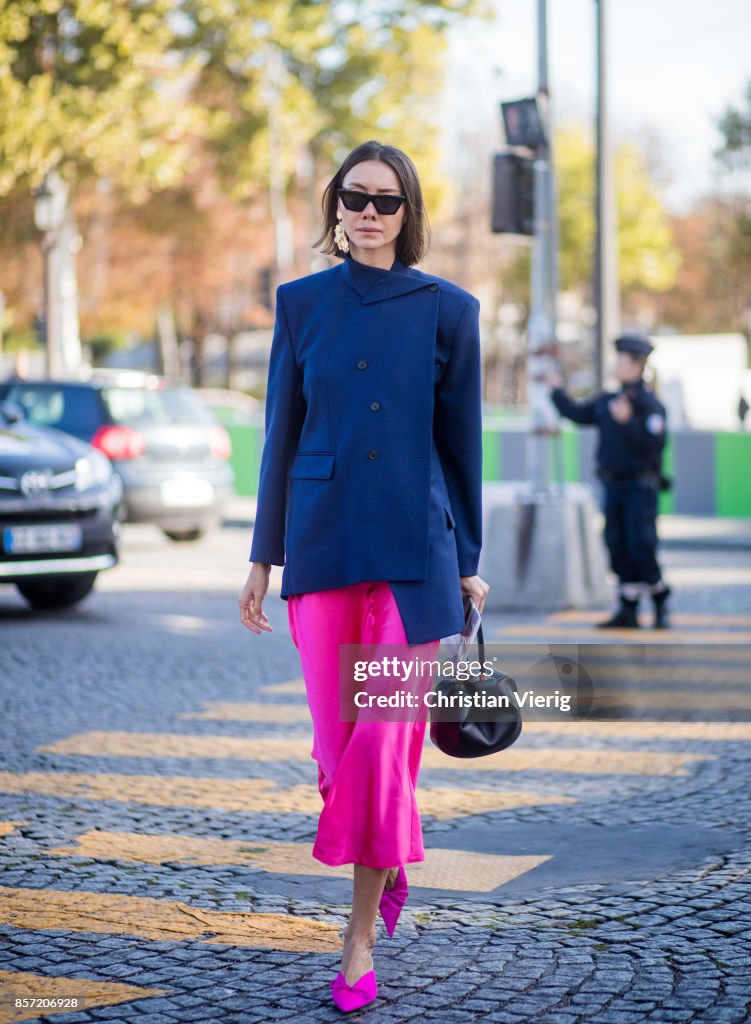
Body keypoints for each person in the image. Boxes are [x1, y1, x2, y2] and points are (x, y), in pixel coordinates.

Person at [238, 140, 489, 1012]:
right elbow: (280, 436)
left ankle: (355, 942)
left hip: (416, 556)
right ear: (335, 207)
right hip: (321, 549)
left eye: (386, 201)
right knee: (338, 752)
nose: (370, 213)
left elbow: (463, 451)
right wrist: (260, 557)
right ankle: (381, 858)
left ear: (408, 213)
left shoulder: (450, 311)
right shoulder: (301, 305)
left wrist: (468, 564)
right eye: (355, 198)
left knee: (382, 745)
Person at [547, 332, 671, 629]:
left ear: (638, 365)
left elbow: (653, 447)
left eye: (622, 360)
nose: (617, 365)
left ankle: (660, 599)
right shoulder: (609, 400)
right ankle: (627, 609)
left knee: (640, 544)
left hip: (640, 487)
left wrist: (629, 423)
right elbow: (578, 414)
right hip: (613, 485)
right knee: (616, 544)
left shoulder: (648, 406)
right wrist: (556, 391)